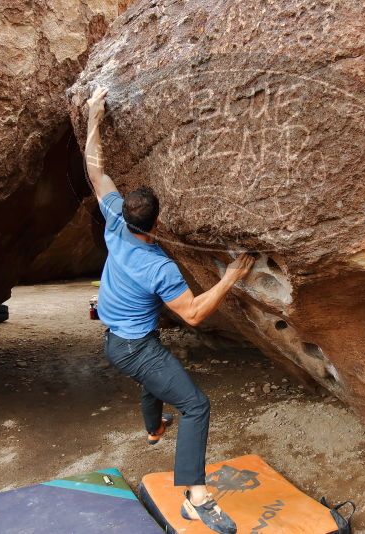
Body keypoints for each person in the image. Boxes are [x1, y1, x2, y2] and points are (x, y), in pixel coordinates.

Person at [83, 87, 254, 534]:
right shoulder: (159, 267)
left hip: (120, 340)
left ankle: (154, 429)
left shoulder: (114, 222)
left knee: (154, 377)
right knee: (196, 405)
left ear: (126, 214)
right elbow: (194, 314)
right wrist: (232, 276)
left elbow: (94, 168)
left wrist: (94, 116)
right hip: (133, 347)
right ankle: (196, 499)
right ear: (156, 223)